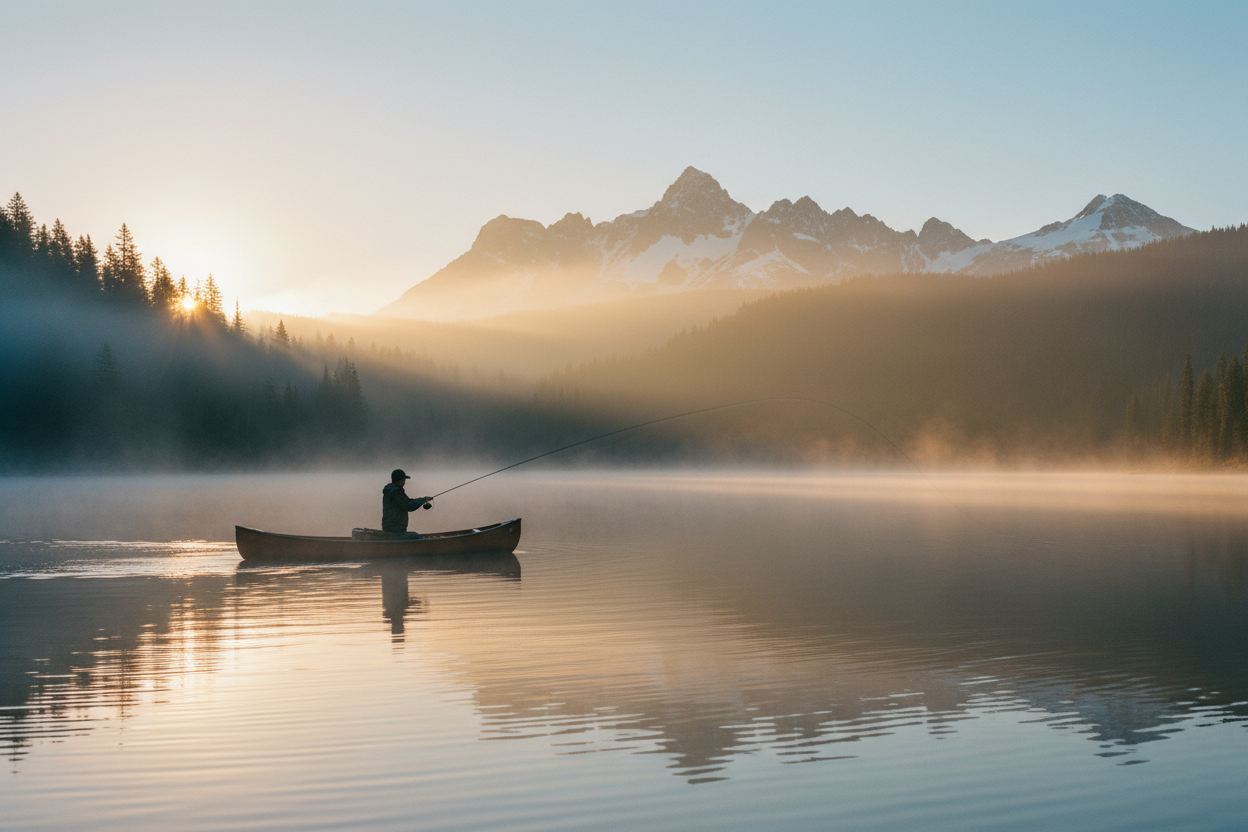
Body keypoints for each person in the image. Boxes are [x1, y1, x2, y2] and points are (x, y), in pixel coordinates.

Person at [382, 469, 433, 534]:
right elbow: (408, 506)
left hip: (390, 528)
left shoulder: (392, 490)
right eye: (403, 480)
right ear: (398, 481)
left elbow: (407, 501)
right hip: (394, 529)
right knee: (415, 535)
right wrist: (422, 500)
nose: (404, 482)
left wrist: (423, 499)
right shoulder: (396, 492)